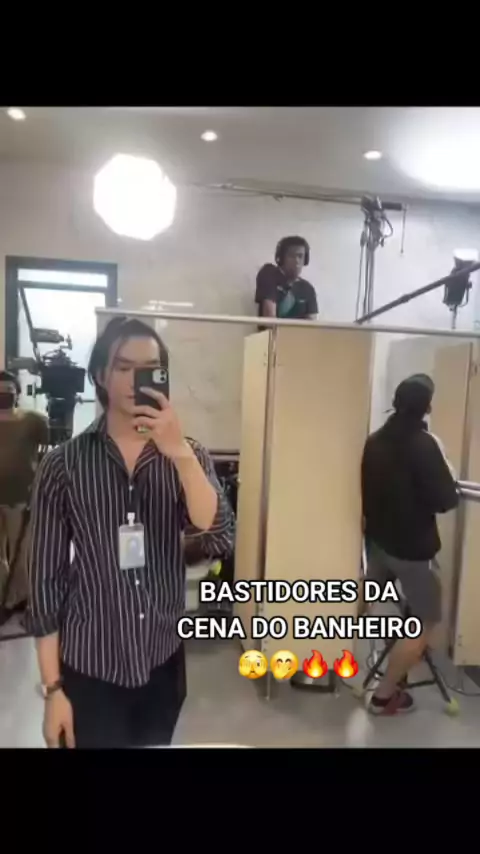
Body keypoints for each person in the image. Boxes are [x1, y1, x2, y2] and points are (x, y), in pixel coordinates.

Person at [28, 317, 234, 748]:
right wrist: (52, 690)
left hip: (162, 660)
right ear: (100, 374)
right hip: (90, 665)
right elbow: (45, 583)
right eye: (124, 367)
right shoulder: (62, 465)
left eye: (150, 369)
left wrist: (179, 454)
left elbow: (218, 536)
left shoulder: (186, 454)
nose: (136, 379)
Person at [361, 373, 459, 715]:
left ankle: (337, 659)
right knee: (422, 623)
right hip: (413, 552)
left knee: (368, 599)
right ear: (427, 408)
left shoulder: (374, 441)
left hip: (378, 544)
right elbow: (446, 500)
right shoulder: (424, 444)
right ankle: (384, 696)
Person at [0, 370, 48, 615]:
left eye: (8, 391)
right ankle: (3, 595)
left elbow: (45, 453)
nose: (4, 395)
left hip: (21, 497)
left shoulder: (32, 421)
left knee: (22, 553)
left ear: (17, 393)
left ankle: (18, 599)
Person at [255, 235, 318, 321]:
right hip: (273, 330)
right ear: (282, 258)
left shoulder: (307, 289)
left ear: (305, 260)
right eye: (291, 256)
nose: (296, 260)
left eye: (300, 256)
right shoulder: (269, 274)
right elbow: (269, 320)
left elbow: (312, 324)